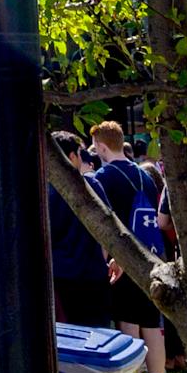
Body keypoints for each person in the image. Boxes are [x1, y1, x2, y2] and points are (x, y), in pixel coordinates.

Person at [87, 122, 167, 373]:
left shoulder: (103, 177)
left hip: (122, 258)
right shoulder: (145, 174)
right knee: (151, 323)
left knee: (128, 322)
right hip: (153, 256)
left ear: (101, 146)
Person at [47, 131, 116, 329]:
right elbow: (107, 227)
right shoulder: (91, 185)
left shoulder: (44, 191)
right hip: (92, 276)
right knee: (97, 337)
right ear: (70, 157)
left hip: (59, 278)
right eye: (79, 153)